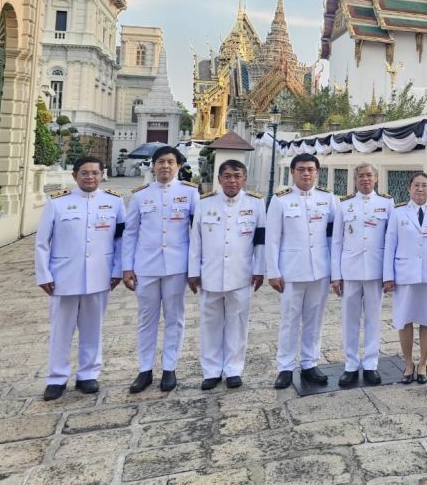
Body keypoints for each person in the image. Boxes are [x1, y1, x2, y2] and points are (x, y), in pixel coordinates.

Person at [34, 157, 124, 400]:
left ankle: (88, 374)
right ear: (75, 176)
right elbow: (42, 242)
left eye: (95, 173)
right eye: (85, 173)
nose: (90, 177)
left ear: (102, 175)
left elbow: (120, 240)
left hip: (99, 275)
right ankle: (56, 377)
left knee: (93, 329)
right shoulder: (58, 202)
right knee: (61, 330)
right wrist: (43, 273)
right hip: (64, 276)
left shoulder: (114, 202)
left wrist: (117, 270)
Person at [122, 145, 199, 393]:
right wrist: (127, 267)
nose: (165, 166)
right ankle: (145, 369)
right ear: (153, 166)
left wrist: (195, 268)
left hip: (177, 266)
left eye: (170, 162)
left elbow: (197, 234)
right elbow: (130, 233)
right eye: (160, 162)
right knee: (147, 319)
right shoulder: (141, 196)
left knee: (175, 318)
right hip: (146, 265)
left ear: (178, 166)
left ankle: (169, 368)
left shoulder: (190, 193)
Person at [187, 160, 265, 390]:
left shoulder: (256, 204)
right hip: (210, 274)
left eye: (237, 176)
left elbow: (260, 241)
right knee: (211, 324)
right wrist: (193, 271)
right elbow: (195, 240)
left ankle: (233, 369)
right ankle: (211, 370)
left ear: (244, 179)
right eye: (227, 176)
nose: (232, 181)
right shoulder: (204, 204)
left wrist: (259, 269)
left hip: (241, 274)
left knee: (238, 323)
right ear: (219, 179)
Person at [266, 153, 338, 390]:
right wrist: (273, 271)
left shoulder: (327, 199)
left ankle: (309, 363)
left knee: (314, 320)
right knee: (289, 320)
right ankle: (285, 367)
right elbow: (273, 239)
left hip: (320, 269)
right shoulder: (280, 200)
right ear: (293, 173)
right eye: (301, 169)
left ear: (317, 172)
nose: (306, 173)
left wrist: (335, 272)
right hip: (291, 271)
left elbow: (334, 238)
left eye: (310, 169)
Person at [383, 172, 427, 384]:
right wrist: (388, 275)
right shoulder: (398, 213)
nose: (420, 189)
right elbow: (389, 245)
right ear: (409, 188)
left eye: (424, 185)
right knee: (404, 320)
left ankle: (423, 363)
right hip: (405, 274)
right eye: (416, 185)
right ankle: (409, 362)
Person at [332, 163, 394, 387]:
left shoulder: (387, 204)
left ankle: (371, 364)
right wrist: (336, 275)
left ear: (376, 178)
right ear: (355, 179)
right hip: (350, 270)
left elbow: (390, 241)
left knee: (373, 320)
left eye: (369, 175)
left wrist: (389, 275)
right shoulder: (344, 204)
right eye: (361, 176)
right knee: (349, 320)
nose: (365, 179)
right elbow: (337, 241)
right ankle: (350, 364)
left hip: (376, 271)